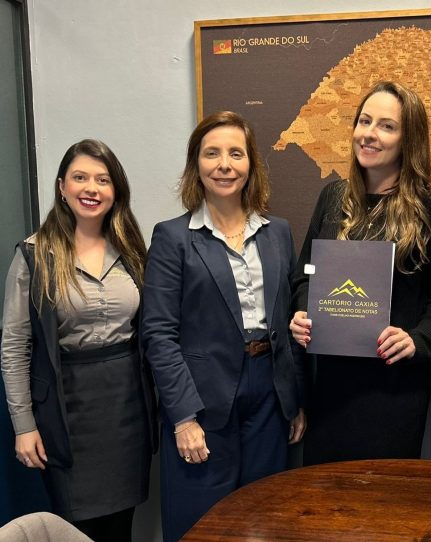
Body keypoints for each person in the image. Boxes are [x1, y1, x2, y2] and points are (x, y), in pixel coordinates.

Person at [142, 111, 306, 542]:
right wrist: (182, 418)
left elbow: (288, 321)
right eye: (211, 153)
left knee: (264, 517)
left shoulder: (278, 233)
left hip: (268, 395)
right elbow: (158, 334)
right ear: (196, 164)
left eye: (236, 153)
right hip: (202, 399)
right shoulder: (173, 238)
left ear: (251, 163)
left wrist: (293, 401)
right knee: (202, 522)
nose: (224, 165)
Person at [289, 81, 431, 464]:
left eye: (386, 126)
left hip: (394, 390)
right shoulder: (332, 198)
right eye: (364, 121)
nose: (369, 133)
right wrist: (301, 313)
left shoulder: (430, 208)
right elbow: (305, 275)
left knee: (385, 495)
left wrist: (416, 340)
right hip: (331, 388)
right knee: (325, 492)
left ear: (408, 139)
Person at [1, 139, 157, 542]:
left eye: (103, 180)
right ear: (62, 187)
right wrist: (24, 426)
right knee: (76, 528)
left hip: (127, 409)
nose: (91, 188)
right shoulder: (34, 255)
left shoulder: (131, 249)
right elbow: (15, 348)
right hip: (65, 412)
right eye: (80, 178)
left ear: (115, 190)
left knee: (121, 525)